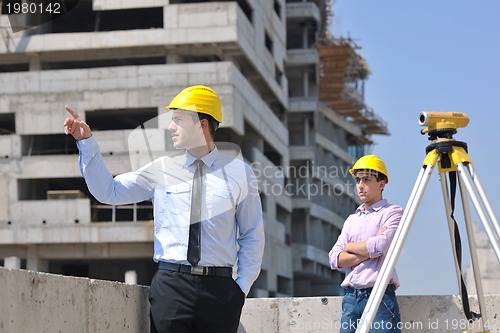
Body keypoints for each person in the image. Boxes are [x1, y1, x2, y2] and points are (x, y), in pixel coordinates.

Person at [63, 85, 265, 333]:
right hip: (172, 287)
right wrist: (86, 143)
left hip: (221, 292)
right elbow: (109, 192)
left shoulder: (239, 173)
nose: (171, 127)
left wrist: (240, 289)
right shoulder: (161, 170)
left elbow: (252, 235)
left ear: (201, 125)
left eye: (178, 120)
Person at [329, 155, 403, 333]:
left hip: (381, 296)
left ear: (381, 183)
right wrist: (370, 247)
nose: (360, 185)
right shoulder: (351, 219)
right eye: (358, 180)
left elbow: (382, 246)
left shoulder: (393, 213)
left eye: (367, 180)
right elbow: (334, 259)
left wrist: (350, 247)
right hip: (351, 298)